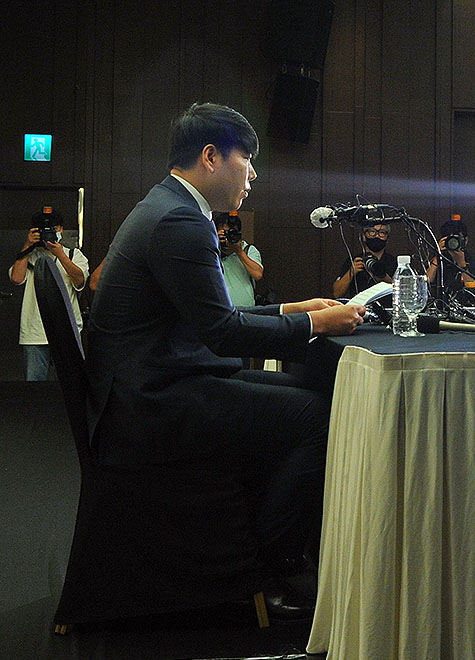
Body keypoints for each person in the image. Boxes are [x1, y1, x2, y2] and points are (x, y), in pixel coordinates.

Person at [87, 103, 366, 619]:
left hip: (153, 382)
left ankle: (275, 544)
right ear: (211, 157)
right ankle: (270, 565)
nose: (254, 174)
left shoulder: (169, 206)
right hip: (151, 403)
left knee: (312, 399)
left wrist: (292, 309)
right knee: (324, 417)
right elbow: (221, 332)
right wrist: (318, 325)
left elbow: (211, 315)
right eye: (248, 160)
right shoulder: (180, 220)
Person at [8, 207, 90, 381]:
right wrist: (27, 246)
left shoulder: (74, 254)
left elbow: (80, 281)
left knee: (72, 383)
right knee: (34, 386)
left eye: (52, 228)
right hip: (35, 333)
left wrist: (60, 254)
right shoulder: (29, 256)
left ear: (60, 229)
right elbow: (16, 278)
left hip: (67, 331)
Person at [425, 214, 475, 304]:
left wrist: (462, 264)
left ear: (465, 240)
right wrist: (438, 256)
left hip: (468, 308)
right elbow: (425, 284)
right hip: (443, 308)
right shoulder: (437, 262)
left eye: (456, 238)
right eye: (449, 239)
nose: (453, 242)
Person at [332, 222, 397, 298]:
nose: (377, 236)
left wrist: (383, 277)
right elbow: (337, 294)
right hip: (358, 307)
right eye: (372, 232)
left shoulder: (395, 263)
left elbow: (403, 292)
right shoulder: (353, 261)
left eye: (382, 232)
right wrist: (351, 272)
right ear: (363, 236)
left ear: (387, 237)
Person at [214, 210, 262, 307]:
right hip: (220, 309)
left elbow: (258, 274)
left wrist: (239, 251)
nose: (228, 237)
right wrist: (214, 242)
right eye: (224, 233)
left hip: (246, 309)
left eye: (231, 233)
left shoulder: (248, 250)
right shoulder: (211, 250)